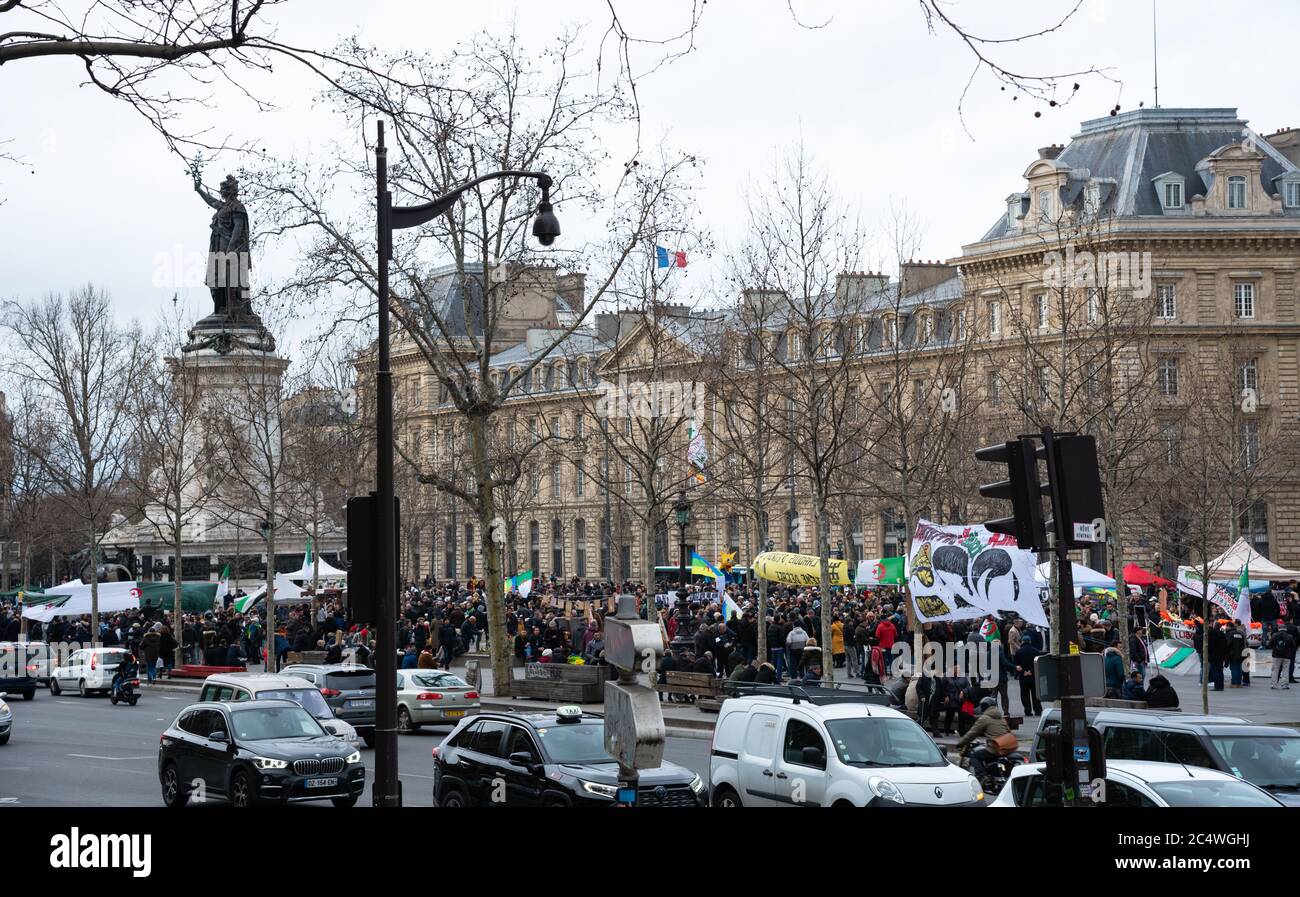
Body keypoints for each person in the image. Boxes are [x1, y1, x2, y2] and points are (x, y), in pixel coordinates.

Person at [956, 697, 1012, 783]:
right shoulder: (1001, 717)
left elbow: (972, 733)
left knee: (974, 756)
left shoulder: (985, 718)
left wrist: (960, 743)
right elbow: (1008, 731)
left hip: (996, 748)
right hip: (1007, 747)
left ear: (984, 707)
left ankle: (983, 776)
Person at [1225, 620, 1247, 687]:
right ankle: (1239, 683)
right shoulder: (1240, 633)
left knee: (1234, 668)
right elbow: (1243, 644)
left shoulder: (1229, 634)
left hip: (1232, 654)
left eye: (1226, 626)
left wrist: (1226, 653)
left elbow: (1228, 644)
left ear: (1229, 626)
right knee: (1239, 668)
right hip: (1240, 653)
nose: (1226, 628)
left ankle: (1234, 683)